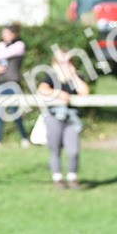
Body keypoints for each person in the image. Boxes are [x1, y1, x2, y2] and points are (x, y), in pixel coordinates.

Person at [37, 49, 90, 189]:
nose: (65, 64)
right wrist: (58, 93)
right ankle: (58, 179)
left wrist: (73, 76)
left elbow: (84, 92)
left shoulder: (78, 76)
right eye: (61, 62)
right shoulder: (52, 77)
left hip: (71, 119)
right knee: (55, 149)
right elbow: (42, 89)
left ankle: (72, 178)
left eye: (68, 61)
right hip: (54, 117)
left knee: (73, 150)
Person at [0, 23, 29, 147]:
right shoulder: (1, 45)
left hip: (13, 83)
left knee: (15, 111)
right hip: (1, 83)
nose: (4, 35)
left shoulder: (19, 45)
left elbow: (2, 55)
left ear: (14, 34)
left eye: (7, 33)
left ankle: (24, 138)